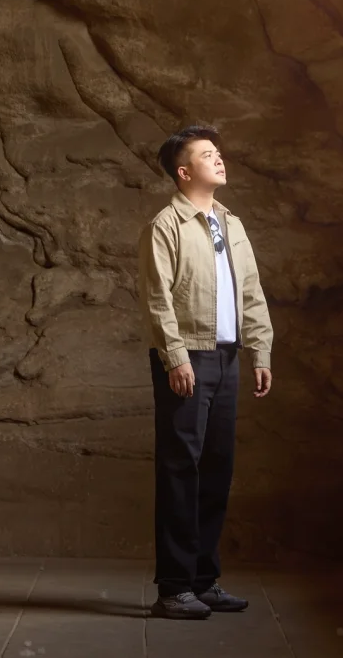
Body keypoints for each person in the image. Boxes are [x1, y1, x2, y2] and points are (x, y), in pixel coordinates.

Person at [138, 124, 274, 620]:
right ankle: (174, 588)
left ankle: (203, 580)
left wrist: (259, 352)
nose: (219, 159)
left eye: (218, 152)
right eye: (206, 154)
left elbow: (252, 291)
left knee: (217, 468)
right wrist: (174, 358)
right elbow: (157, 299)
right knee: (180, 470)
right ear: (183, 170)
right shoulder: (165, 225)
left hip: (228, 358)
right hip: (187, 359)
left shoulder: (231, 224)